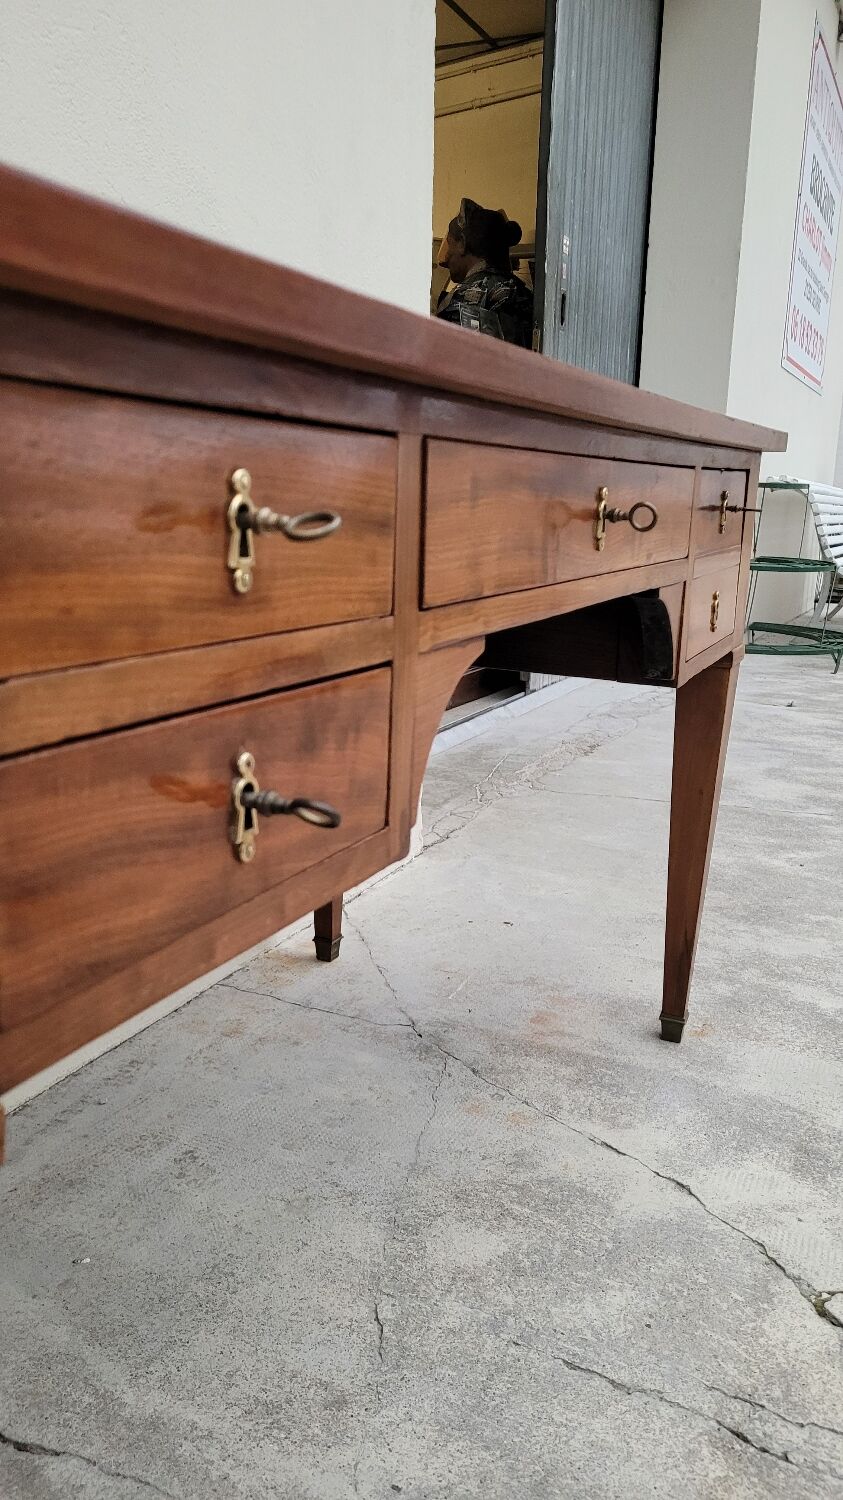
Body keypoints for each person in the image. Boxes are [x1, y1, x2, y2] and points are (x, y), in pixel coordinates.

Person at [435, 197, 534, 348]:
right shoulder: (523, 293)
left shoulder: (464, 298)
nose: (447, 257)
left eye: (450, 243)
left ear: (462, 244)